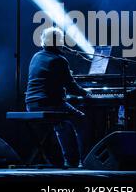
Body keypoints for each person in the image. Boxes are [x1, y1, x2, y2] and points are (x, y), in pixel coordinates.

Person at [25, 27, 90, 168]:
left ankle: (69, 160)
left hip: (31, 103)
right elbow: (72, 86)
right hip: (48, 103)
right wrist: (87, 94)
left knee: (63, 123)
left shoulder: (36, 56)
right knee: (81, 119)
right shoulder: (59, 60)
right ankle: (78, 161)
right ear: (59, 42)